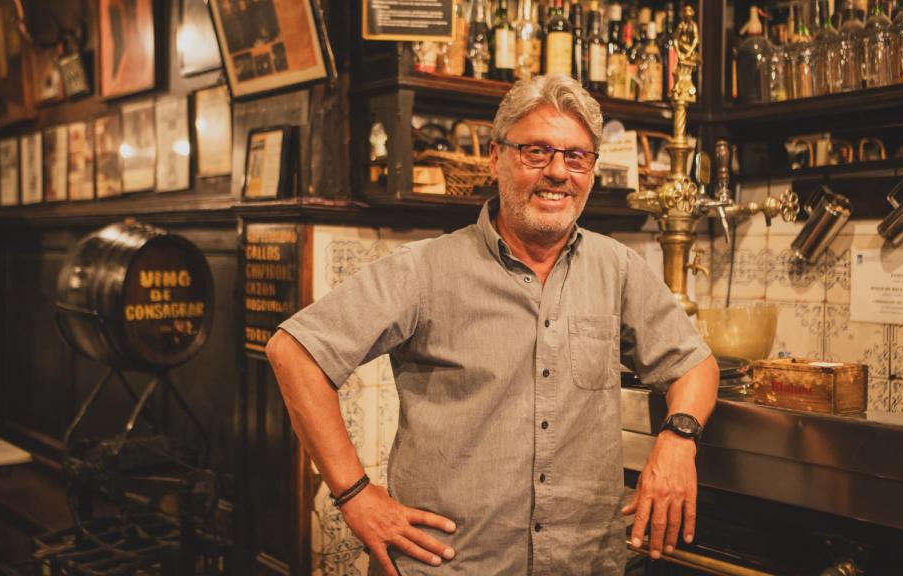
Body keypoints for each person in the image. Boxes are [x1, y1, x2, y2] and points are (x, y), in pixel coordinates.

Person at [266, 74, 719, 575]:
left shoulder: (617, 268)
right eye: (536, 152)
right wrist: (354, 495)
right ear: (494, 157)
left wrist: (678, 439)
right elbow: (294, 351)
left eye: (576, 157)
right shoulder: (425, 268)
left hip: (581, 563)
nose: (557, 172)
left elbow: (693, 364)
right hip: (454, 565)